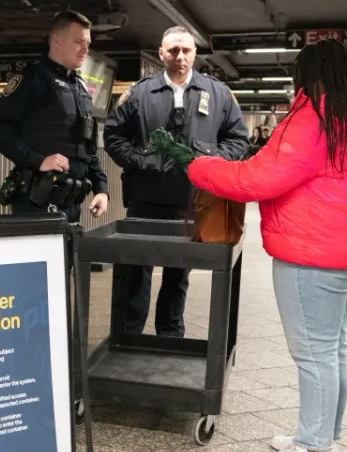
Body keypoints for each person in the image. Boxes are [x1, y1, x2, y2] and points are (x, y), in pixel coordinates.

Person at [155, 38, 347, 452]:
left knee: (314, 353)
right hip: (344, 248)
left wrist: (195, 164)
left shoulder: (315, 118)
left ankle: (312, 451)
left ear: (309, 74)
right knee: (332, 349)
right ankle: (325, 438)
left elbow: (256, 179)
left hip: (312, 249)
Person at [103, 26, 248, 336]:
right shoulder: (140, 93)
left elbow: (238, 138)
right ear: (161, 54)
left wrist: (210, 162)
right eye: (173, 50)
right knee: (136, 269)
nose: (180, 56)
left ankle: (170, 336)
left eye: (186, 50)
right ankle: (129, 336)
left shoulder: (218, 93)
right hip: (146, 198)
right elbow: (113, 135)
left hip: (193, 201)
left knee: (178, 274)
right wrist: (140, 160)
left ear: (195, 53)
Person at [0, 10, 109, 223]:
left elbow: (86, 149)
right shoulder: (32, 79)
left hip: (71, 201)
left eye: (88, 43)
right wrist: (39, 161)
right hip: (36, 202)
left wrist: (101, 189)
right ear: (57, 41)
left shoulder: (80, 87)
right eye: (78, 42)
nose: (85, 49)